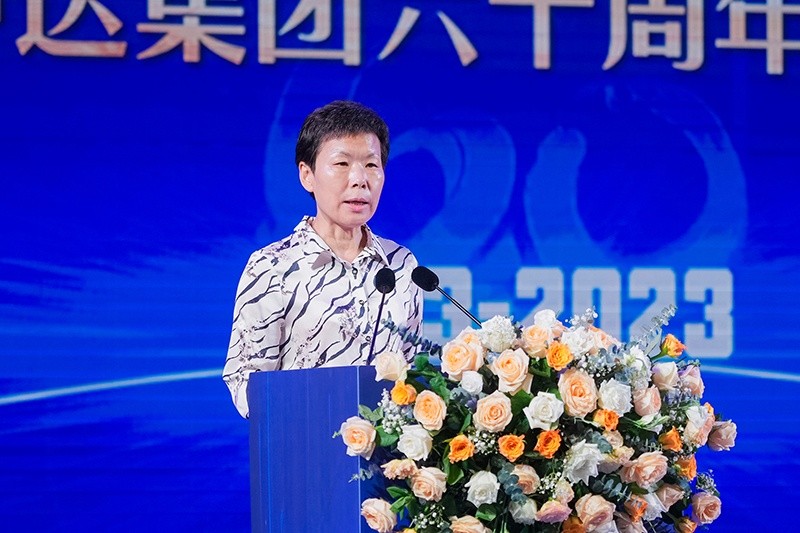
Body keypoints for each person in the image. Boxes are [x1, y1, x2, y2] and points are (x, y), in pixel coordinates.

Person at [223, 100, 423, 418]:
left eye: (372, 165)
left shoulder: (400, 264)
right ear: (307, 175)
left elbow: (411, 370)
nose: (360, 179)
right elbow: (246, 380)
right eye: (342, 164)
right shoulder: (272, 266)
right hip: (303, 442)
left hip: (388, 446)